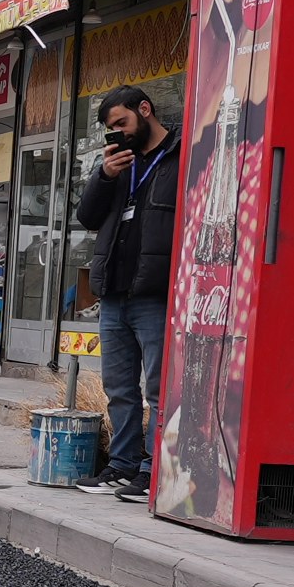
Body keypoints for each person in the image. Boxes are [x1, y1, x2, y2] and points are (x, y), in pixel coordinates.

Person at [72, 84, 180, 503]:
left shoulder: (180, 155)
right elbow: (87, 217)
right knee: (118, 388)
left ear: (145, 109)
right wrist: (105, 176)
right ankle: (122, 465)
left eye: (123, 122)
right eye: (111, 128)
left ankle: (154, 470)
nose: (119, 132)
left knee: (159, 389)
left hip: (155, 292)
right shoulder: (119, 164)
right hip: (115, 293)